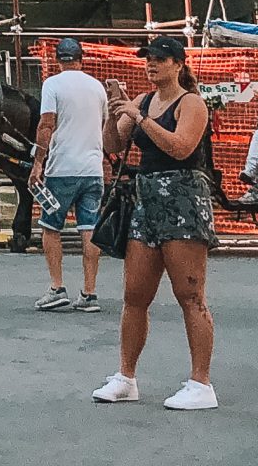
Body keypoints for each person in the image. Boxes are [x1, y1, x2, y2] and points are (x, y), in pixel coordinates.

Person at [92, 33, 218, 412]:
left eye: (160, 59)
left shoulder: (191, 102)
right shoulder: (144, 101)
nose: (151, 64)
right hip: (146, 198)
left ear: (178, 64)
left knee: (190, 293)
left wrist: (140, 118)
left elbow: (181, 147)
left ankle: (201, 382)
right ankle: (125, 376)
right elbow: (113, 145)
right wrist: (117, 113)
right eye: (148, 58)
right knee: (134, 295)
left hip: (182, 197)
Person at [32, 37, 111, 313]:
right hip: (92, 169)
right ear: (81, 58)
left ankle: (57, 287)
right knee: (89, 229)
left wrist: (38, 162)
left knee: (50, 227)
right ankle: (89, 292)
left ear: (58, 60)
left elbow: (46, 124)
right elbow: (104, 124)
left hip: (62, 169)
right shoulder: (97, 87)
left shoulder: (52, 85)